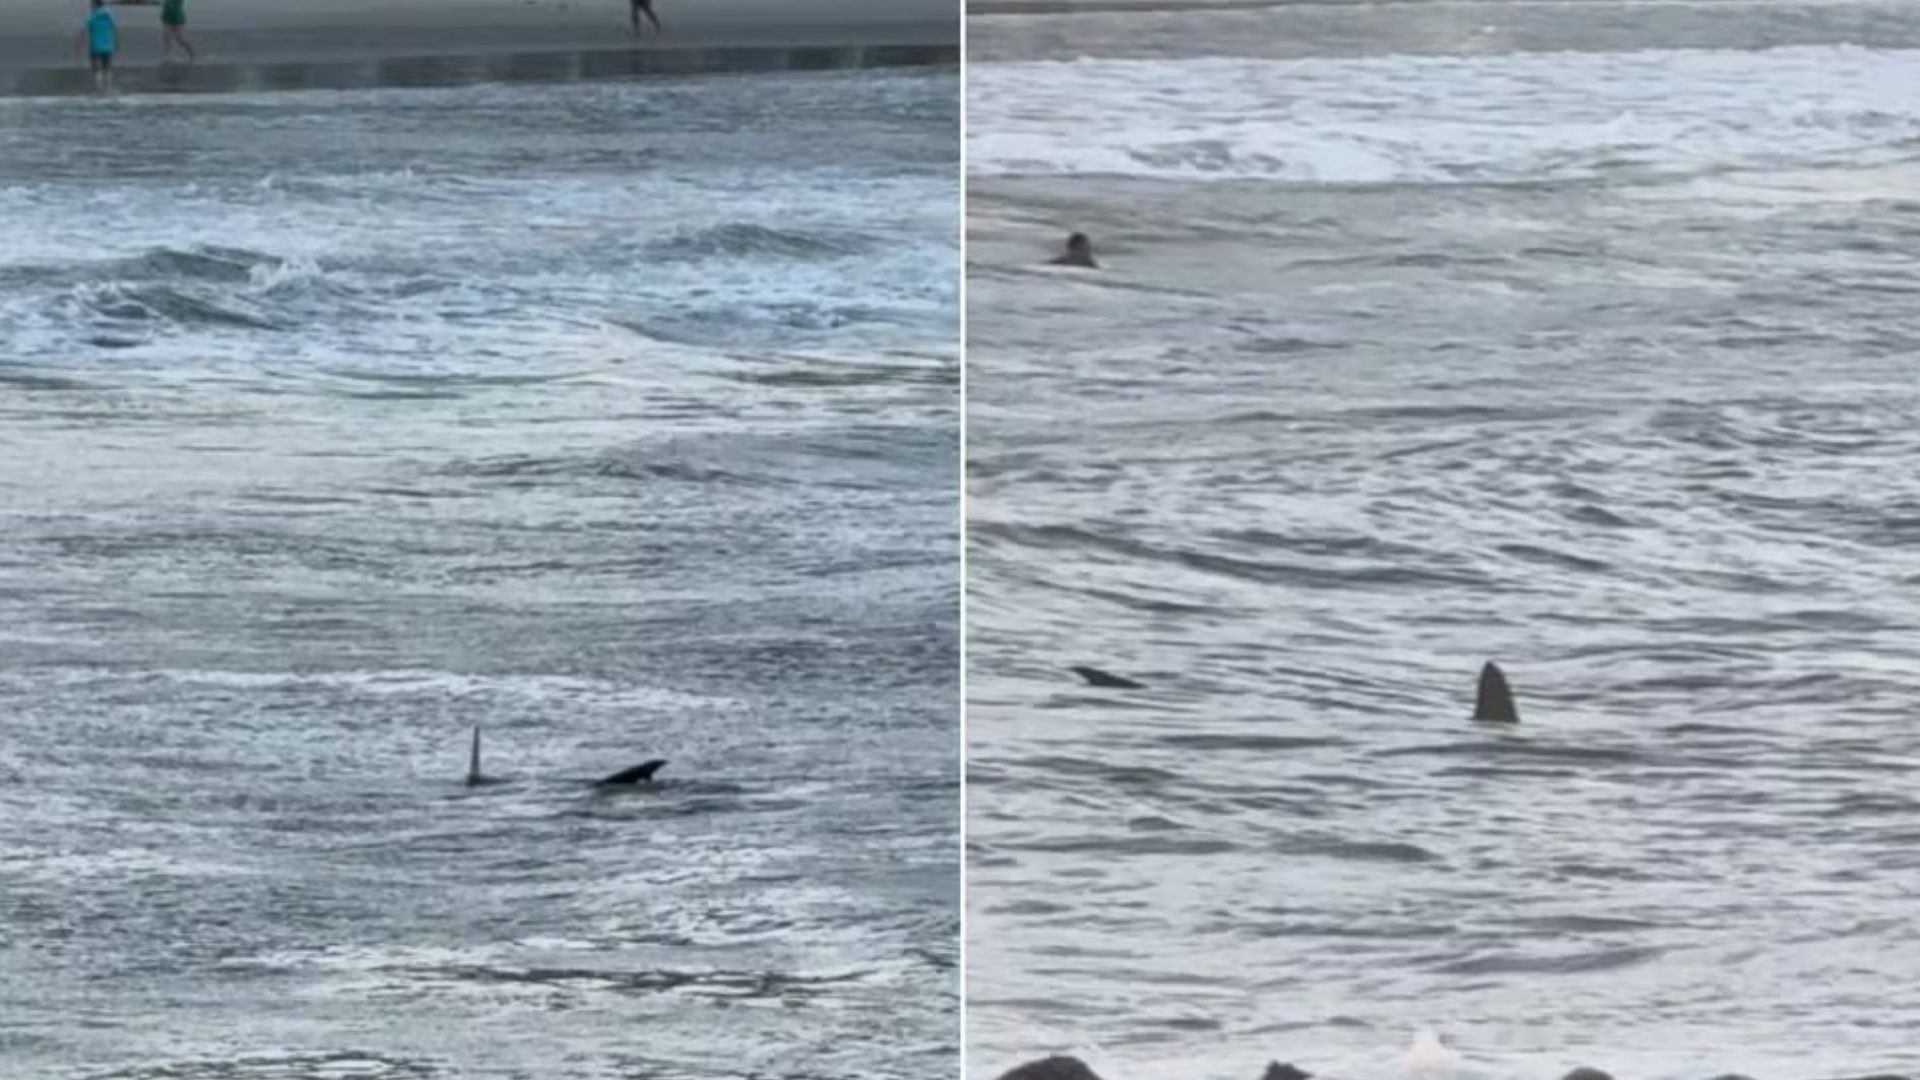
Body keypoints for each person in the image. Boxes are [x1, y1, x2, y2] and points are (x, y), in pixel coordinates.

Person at [74, 0, 117, 94]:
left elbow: (84, 32)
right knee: (107, 68)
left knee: (97, 70)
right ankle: (109, 88)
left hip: (95, 46)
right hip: (108, 46)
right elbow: (113, 29)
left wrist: (78, 45)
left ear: (95, 4)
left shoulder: (92, 16)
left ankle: (100, 90)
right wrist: (114, 42)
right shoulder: (108, 16)